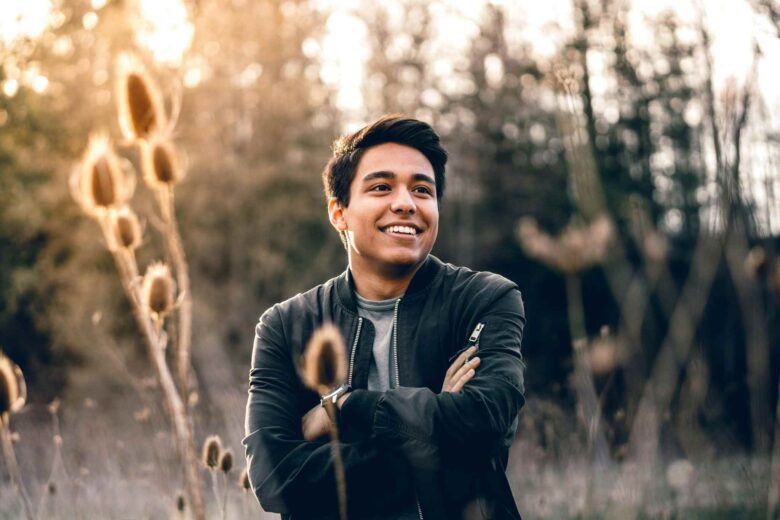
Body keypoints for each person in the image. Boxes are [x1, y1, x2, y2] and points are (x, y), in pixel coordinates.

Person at [243, 115, 526, 519]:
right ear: (338, 212)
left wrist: (346, 408)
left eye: (422, 190)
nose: (406, 203)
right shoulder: (287, 325)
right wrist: (435, 437)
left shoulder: (483, 299)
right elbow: (275, 481)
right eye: (381, 187)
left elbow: (484, 423)